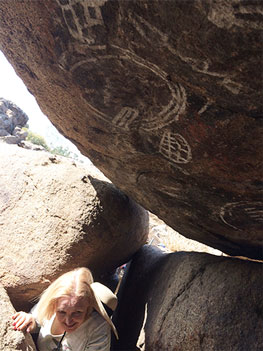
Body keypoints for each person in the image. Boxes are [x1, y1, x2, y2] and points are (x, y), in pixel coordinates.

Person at [12, 267, 118, 351]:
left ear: (88, 307)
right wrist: (29, 320)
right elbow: (36, 322)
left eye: (77, 313)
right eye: (62, 312)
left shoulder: (97, 328)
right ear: (54, 304)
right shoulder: (50, 305)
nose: (68, 321)